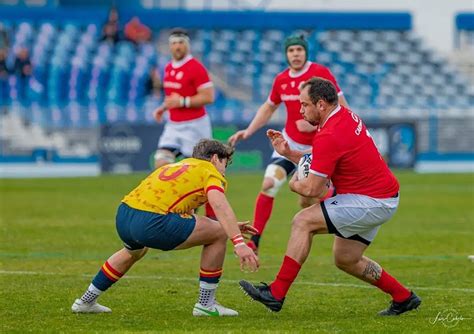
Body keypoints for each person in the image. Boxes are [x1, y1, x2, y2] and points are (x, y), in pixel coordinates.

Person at [239, 77, 421, 316]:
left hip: (369, 200)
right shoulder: (343, 116)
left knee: (302, 221)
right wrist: (290, 153)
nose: (300, 110)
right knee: (346, 258)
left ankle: (276, 293)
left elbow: (313, 189)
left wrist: (293, 183)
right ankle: (404, 297)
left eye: (304, 105)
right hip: (380, 197)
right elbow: (324, 158)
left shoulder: (329, 134)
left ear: (321, 104)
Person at [72, 139, 259, 316]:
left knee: (134, 252)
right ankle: (206, 305)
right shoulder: (210, 171)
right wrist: (238, 242)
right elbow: (219, 205)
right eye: (225, 163)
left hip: (125, 214)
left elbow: (181, 208)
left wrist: (229, 225)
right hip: (152, 221)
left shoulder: (177, 165)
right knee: (218, 234)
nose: (225, 170)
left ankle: (86, 301)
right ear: (215, 158)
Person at [228, 34, 348, 253]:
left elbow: (341, 106)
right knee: (268, 185)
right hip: (288, 143)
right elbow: (268, 107)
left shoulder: (320, 74)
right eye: (291, 51)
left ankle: (326, 216)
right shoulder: (281, 79)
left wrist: (315, 127)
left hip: (316, 149)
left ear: (305, 53)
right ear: (286, 54)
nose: (295, 54)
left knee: (308, 198)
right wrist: (249, 130)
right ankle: (254, 241)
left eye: (299, 50)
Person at [153, 28, 216, 218]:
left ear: (187, 45)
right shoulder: (168, 68)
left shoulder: (195, 67)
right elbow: (172, 97)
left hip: (195, 126)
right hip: (173, 125)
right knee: (161, 164)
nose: (177, 46)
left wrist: (183, 102)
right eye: (173, 43)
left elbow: (209, 96)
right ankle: (172, 209)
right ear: (169, 46)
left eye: (181, 42)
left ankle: (198, 214)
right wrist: (163, 108)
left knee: (198, 176)